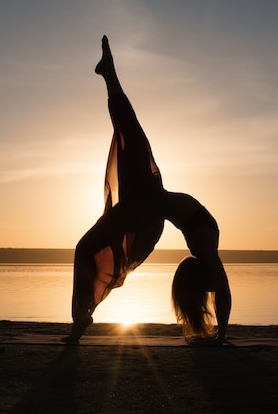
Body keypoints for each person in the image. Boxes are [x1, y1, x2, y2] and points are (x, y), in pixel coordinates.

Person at [62, 36, 165, 343]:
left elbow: (124, 116)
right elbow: (123, 116)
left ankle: (81, 317)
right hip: (135, 212)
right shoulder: (138, 165)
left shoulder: (143, 170)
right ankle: (81, 317)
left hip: (141, 211)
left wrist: (110, 74)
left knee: (85, 249)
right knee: (85, 249)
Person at [165, 191, 232, 345]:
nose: (208, 290)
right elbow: (224, 293)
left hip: (167, 204)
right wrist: (220, 337)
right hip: (162, 202)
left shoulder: (203, 249)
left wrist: (220, 336)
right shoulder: (205, 249)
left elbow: (222, 291)